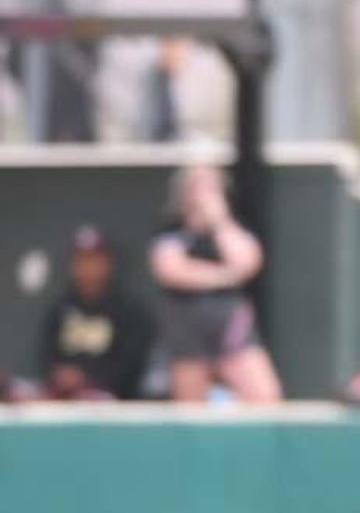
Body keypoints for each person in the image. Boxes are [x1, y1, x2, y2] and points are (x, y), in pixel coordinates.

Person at [149, 164, 282, 403]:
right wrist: (225, 275)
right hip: (186, 329)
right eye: (196, 186)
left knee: (264, 397)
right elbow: (171, 271)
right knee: (191, 411)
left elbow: (247, 262)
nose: (201, 194)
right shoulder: (171, 230)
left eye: (210, 187)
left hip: (230, 326)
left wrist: (219, 222)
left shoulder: (234, 228)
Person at [38, 225, 153, 400]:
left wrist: (87, 379)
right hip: (64, 399)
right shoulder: (60, 310)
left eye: (94, 260)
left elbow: (130, 365)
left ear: (108, 263)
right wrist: (63, 377)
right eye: (82, 260)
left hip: (111, 401)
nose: (88, 267)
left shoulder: (126, 311)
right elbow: (48, 358)